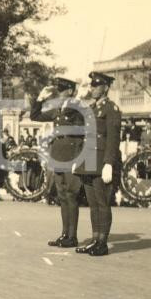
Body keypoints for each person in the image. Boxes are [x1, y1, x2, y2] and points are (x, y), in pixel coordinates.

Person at [29, 76, 85, 246]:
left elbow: (84, 131)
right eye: (58, 91)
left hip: (72, 154)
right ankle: (64, 234)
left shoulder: (78, 108)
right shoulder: (57, 109)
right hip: (59, 154)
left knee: (71, 195)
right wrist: (40, 99)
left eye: (62, 90)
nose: (59, 94)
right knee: (61, 195)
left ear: (70, 91)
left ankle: (72, 236)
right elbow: (35, 116)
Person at [74, 72, 121, 257]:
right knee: (93, 204)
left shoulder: (111, 109)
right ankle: (95, 239)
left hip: (101, 161)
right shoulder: (91, 108)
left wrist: (109, 163)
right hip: (88, 161)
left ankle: (102, 242)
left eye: (96, 85)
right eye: (91, 85)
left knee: (102, 203)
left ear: (106, 88)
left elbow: (113, 139)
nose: (92, 88)